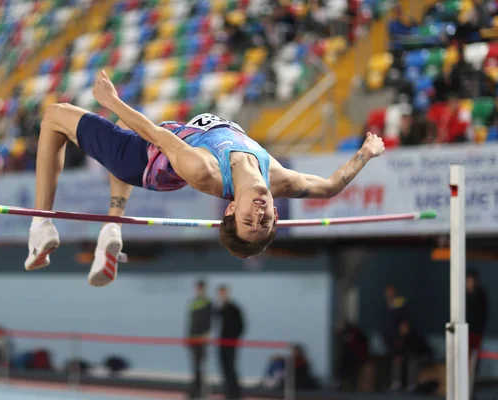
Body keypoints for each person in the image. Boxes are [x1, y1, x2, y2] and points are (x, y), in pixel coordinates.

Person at [24, 70, 385, 286]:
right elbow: (332, 184)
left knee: (55, 117)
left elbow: (153, 135)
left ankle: (42, 224)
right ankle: (112, 228)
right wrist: (366, 153)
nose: (258, 213)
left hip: (142, 157)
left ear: (230, 210)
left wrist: (111, 100)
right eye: (264, 220)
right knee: (123, 132)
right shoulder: (278, 178)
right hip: (163, 148)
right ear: (277, 214)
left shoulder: (206, 170)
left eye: (248, 220)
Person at [216, 284, 245, 399]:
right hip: (222, 342)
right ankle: (228, 392)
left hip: (231, 343)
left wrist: (234, 338)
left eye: (223, 293)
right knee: (224, 367)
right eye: (220, 293)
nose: (222, 295)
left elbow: (241, 325)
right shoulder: (220, 308)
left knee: (231, 367)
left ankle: (235, 393)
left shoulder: (234, 308)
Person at [186, 280, 212, 399]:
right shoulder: (193, 302)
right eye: (197, 288)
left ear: (204, 289)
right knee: (195, 365)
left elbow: (209, 321)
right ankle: (195, 391)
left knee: (202, 365)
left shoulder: (208, 303)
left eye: (201, 288)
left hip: (202, 339)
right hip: (192, 338)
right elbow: (191, 321)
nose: (199, 290)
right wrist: (188, 336)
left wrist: (206, 334)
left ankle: (202, 391)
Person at [466, 270, 489, 357]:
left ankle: (473, 371)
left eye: (472, 280)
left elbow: (484, 313)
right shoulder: (461, 294)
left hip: (476, 332)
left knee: (475, 357)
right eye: (468, 280)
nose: (470, 283)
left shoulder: (480, 295)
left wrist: (480, 328)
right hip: (464, 332)